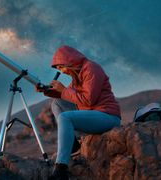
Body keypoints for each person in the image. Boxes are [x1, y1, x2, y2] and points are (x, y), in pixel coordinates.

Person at [36, 45, 121, 180]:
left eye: (61, 67)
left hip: (107, 117)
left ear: (69, 61)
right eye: (58, 70)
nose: (62, 72)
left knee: (65, 117)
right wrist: (47, 91)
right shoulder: (76, 77)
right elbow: (68, 96)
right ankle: (73, 143)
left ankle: (61, 170)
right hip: (92, 115)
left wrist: (63, 90)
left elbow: (87, 100)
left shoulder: (91, 69)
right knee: (56, 103)